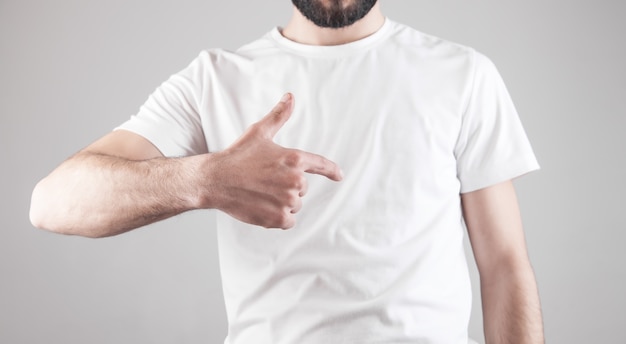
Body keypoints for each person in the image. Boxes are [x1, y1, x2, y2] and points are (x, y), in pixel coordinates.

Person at [29, 1, 544, 343]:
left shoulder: (463, 74)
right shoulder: (216, 78)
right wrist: (205, 180)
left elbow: (504, 265)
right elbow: (52, 202)